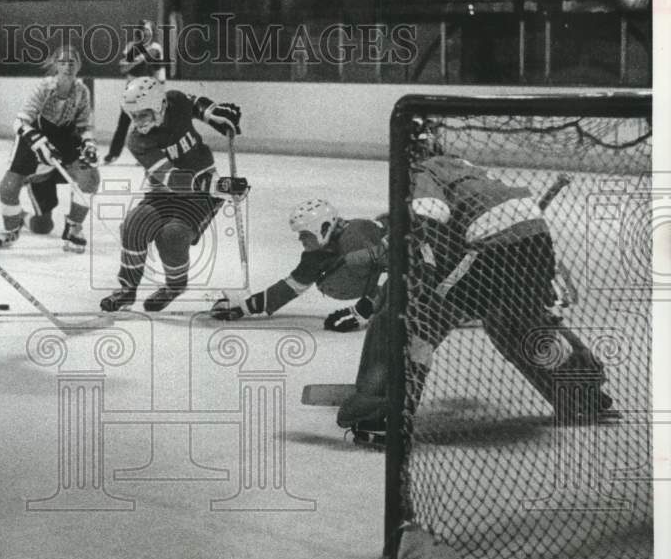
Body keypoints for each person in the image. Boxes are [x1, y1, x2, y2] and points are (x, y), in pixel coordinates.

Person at [334, 118, 618, 443]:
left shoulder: (421, 171)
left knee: (416, 327)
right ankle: (583, 391)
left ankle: (385, 414)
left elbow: (430, 220)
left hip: (492, 249)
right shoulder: (461, 166)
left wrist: (406, 274)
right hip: (535, 240)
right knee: (515, 324)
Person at [99, 76, 247, 313]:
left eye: (143, 114)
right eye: (133, 115)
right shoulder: (137, 141)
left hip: (201, 193)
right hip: (169, 189)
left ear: (159, 105)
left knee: (173, 235)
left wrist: (215, 113)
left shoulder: (175, 101)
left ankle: (175, 286)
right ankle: (127, 290)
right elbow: (175, 180)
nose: (137, 122)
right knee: (134, 225)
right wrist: (220, 186)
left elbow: (196, 104)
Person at [209, 199, 387, 331]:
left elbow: (401, 264)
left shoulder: (355, 237)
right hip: (380, 259)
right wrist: (244, 307)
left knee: (357, 260)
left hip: (406, 249)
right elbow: (291, 287)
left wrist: (364, 309)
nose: (300, 238)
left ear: (323, 228)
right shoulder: (318, 253)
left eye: (305, 233)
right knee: (344, 269)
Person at [0, 45, 99, 253]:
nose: (68, 66)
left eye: (72, 61)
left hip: (65, 140)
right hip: (34, 140)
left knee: (90, 177)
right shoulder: (44, 88)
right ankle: (13, 228)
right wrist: (39, 143)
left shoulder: (81, 91)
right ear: (55, 65)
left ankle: (74, 228)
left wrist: (89, 144)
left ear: (79, 65)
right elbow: (20, 122)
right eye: (63, 62)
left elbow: (84, 126)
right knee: (14, 193)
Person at [105, 19, 165, 164]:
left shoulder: (156, 47)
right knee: (124, 122)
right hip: (132, 90)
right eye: (144, 30)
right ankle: (113, 154)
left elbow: (158, 69)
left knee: (149, 124)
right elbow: (122, 67)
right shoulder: (131, 46)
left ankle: (147, 154)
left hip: (148, 89)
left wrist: (159, 90)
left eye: (148, 31)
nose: (146, 33)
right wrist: (139, 59)